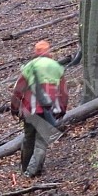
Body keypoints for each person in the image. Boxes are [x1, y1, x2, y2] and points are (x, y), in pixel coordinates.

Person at [11, 40, 68, 177]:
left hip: (29, 108)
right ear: (48, 51)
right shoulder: (56, 67)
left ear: (36, 52)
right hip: (50, 108)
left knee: (28, 138)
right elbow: (64, 92)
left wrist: (14, 107)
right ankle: (33, 172)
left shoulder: (30, 66)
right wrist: (62, 108)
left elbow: (19, 89)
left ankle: (26, 169)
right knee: (41, 141)